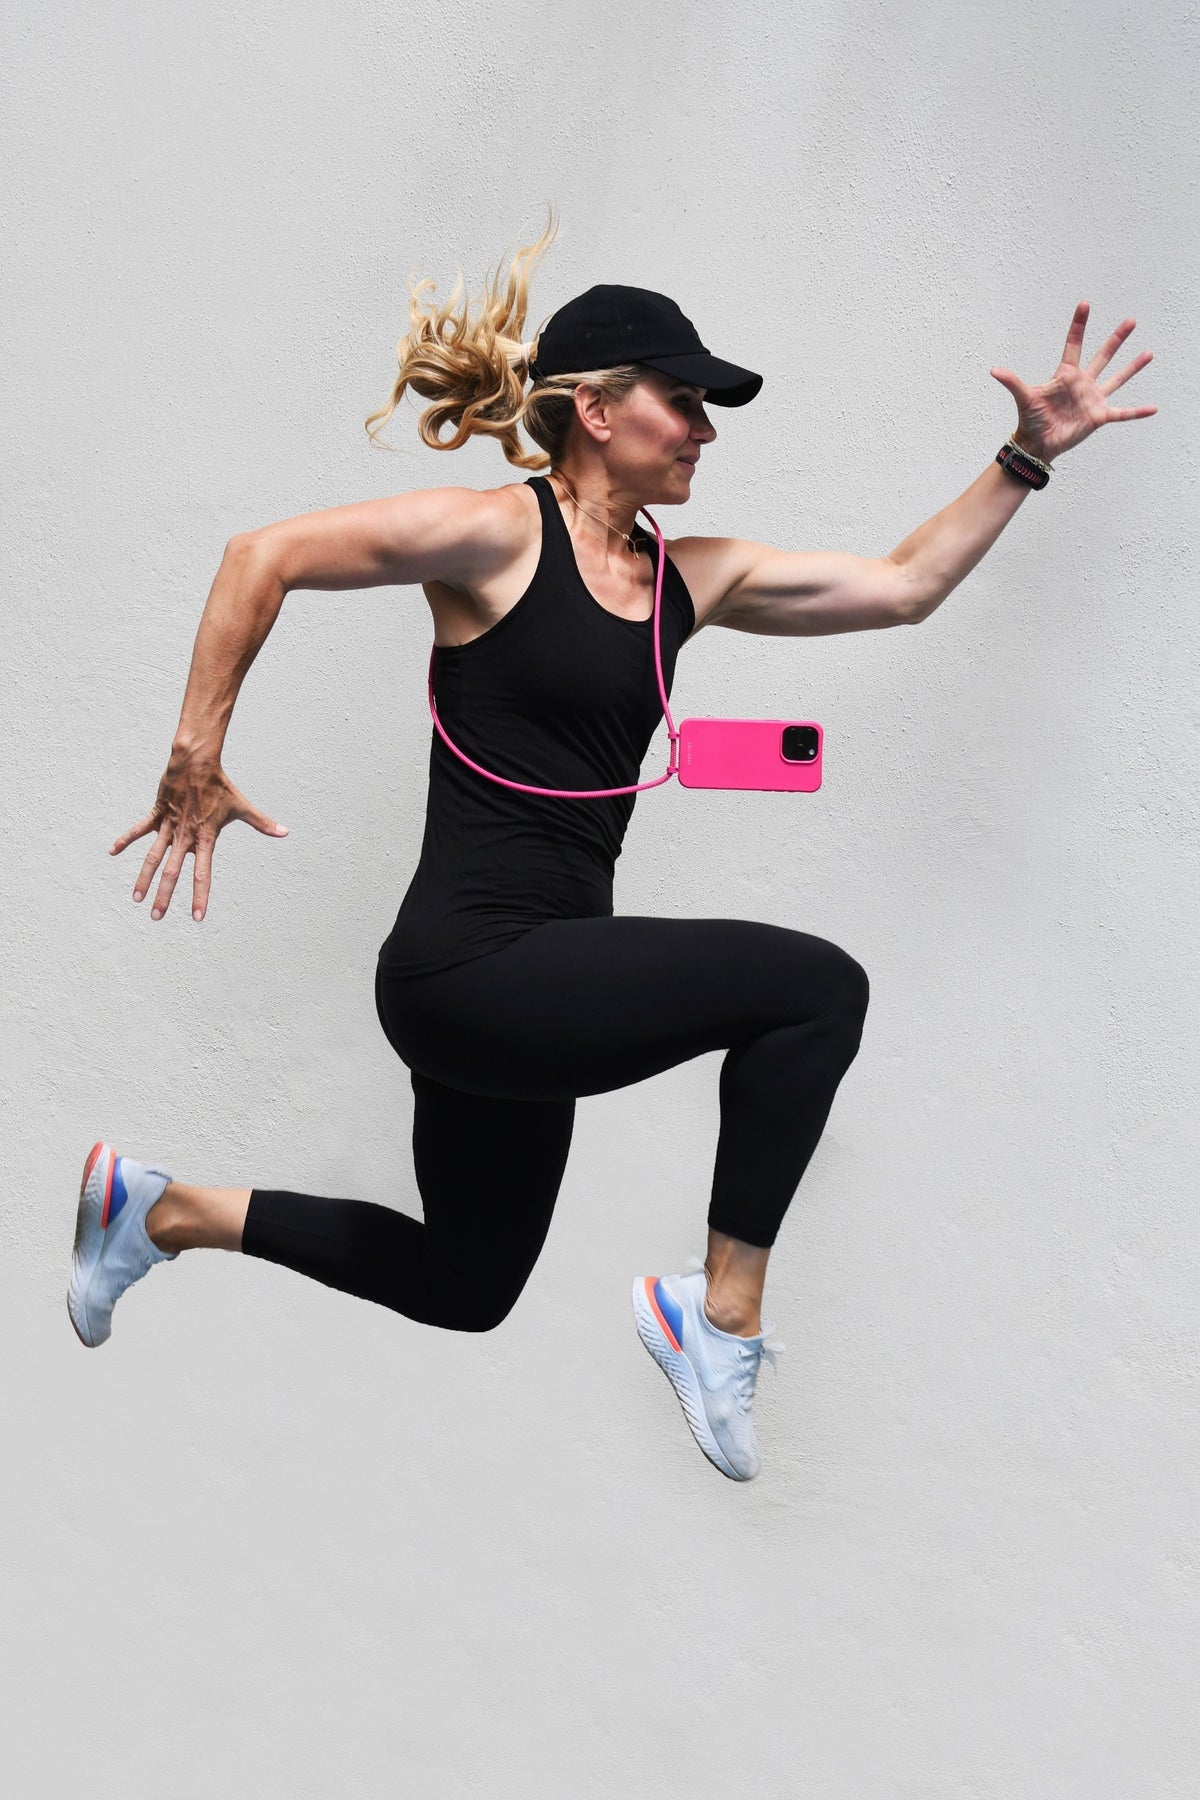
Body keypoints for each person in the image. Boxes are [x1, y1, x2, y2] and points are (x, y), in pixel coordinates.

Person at [69, 220, 1156, 1482]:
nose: (704, 428)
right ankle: (723, 1312)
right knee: (816, 988)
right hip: (465, 968)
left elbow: (907, 585)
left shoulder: (693, 580)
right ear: (593, 409)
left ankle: (159, 1210)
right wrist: (195, 753)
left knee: (465, 1283)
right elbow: (263, 555)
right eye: (683, 400)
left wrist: (1028, 453)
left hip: (536, 985)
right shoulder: (494, 537)